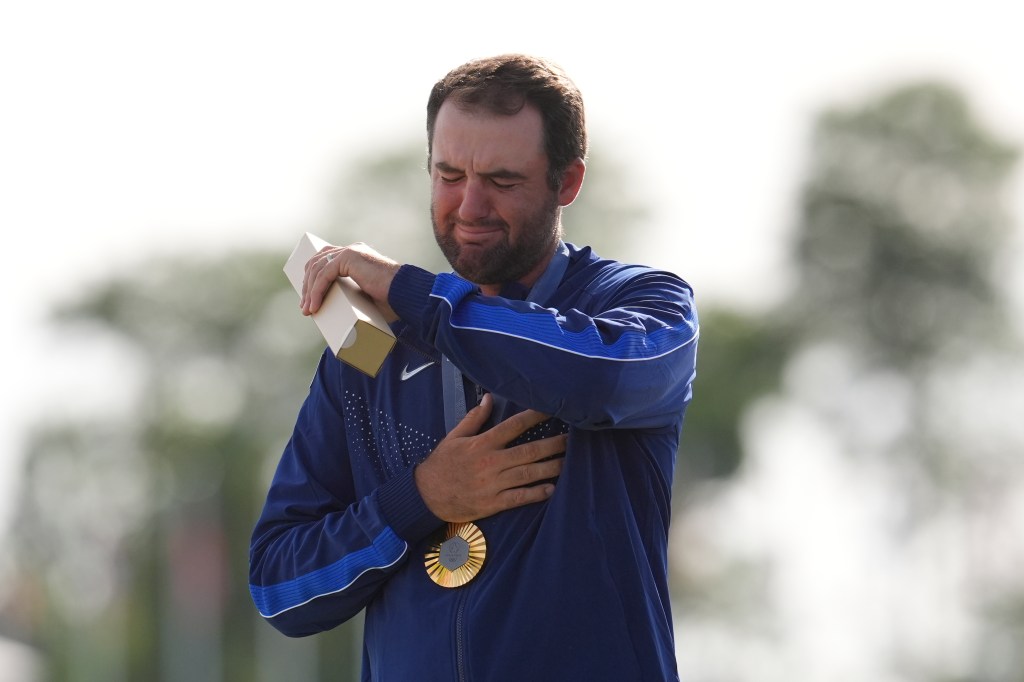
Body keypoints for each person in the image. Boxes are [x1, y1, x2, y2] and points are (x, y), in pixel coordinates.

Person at [249, 53, 699, 681]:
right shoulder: (369, 352)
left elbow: (601, 379)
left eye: (503, 180)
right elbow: (278, 588)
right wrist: (419, 499)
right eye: (449, 174)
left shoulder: (640, 305)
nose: (470, 206)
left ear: (567, 182)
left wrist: (416, 296)